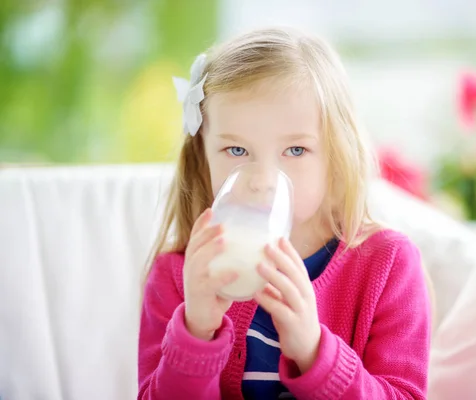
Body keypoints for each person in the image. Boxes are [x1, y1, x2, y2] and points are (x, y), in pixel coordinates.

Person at [138, 26, 431, 400]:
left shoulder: (387, 266)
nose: (262, 180)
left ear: (336, 155)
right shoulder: (178, 278)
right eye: (237, 151)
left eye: (295, 151)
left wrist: (315, 354)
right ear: (203, 156)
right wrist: (195, 333)